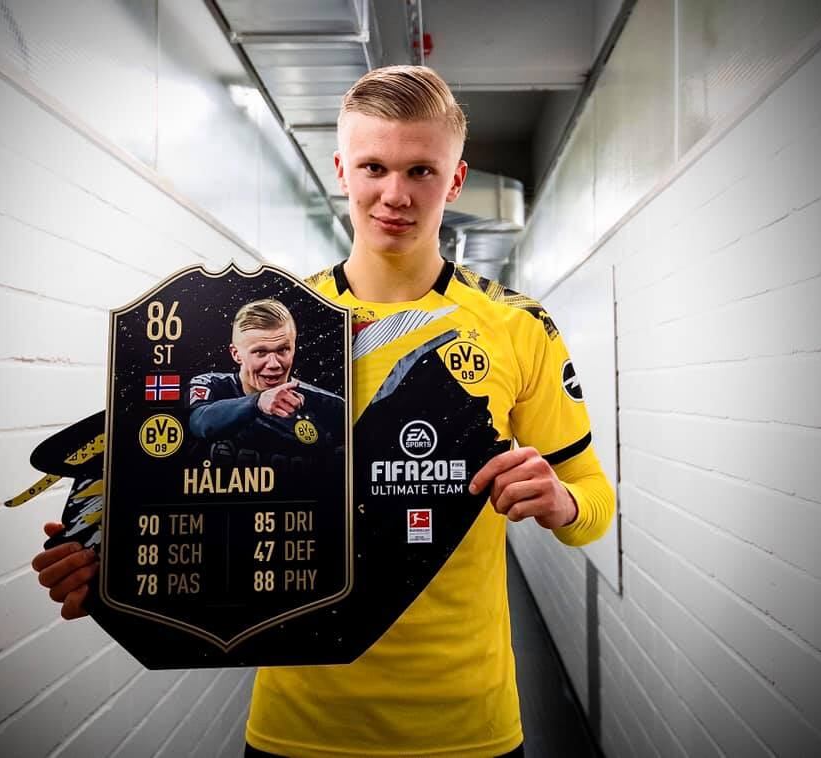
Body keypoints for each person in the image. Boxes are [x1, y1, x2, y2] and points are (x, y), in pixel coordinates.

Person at [32, 65, 615, 757]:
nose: (395, 194)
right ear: (342, 170)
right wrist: (109, 565)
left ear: (455, 180)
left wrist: (562, 504)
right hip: (296, 726)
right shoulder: (280, 323)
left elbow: (594, 503)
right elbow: (192, 493)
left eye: (421, 171)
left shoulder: (517, 326)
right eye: (374, 167)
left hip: (469, 724)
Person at [186, 298, 344, 474]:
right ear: (236, 354)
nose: (274, 364)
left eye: (283, 350)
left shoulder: (330, 406)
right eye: (260, 352)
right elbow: (199, 422)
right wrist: (257, 402)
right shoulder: (211, 385)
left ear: (293, 348)